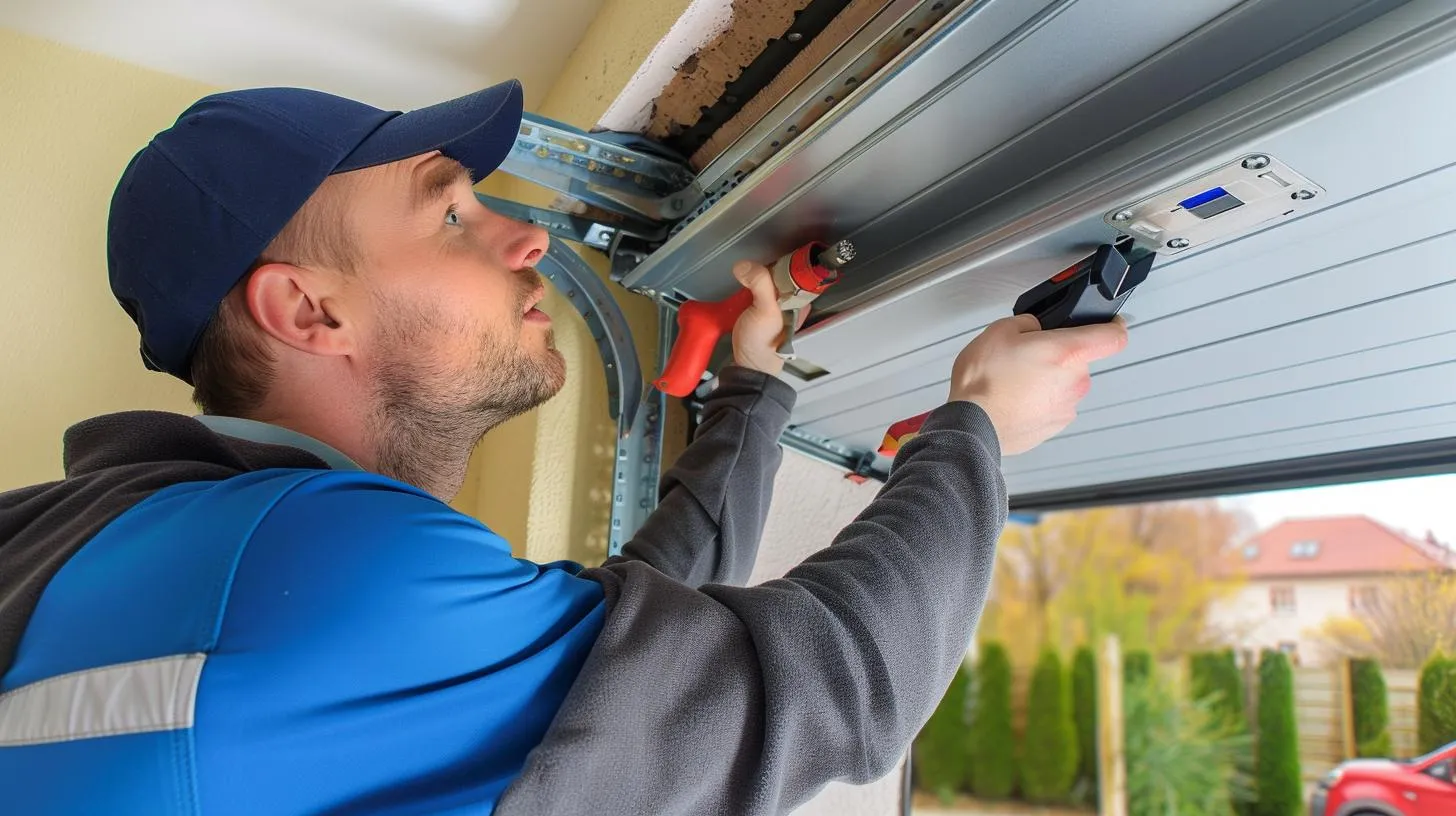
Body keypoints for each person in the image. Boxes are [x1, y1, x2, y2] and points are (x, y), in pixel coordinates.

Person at [0, 79, 1126, 815]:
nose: (526, 233)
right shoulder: (322, 570)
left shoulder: (136, 546)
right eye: (448, 214)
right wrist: (979, 426)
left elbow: (616, 646)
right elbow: (834, 690)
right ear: (308, 313)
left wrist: (751, 388)